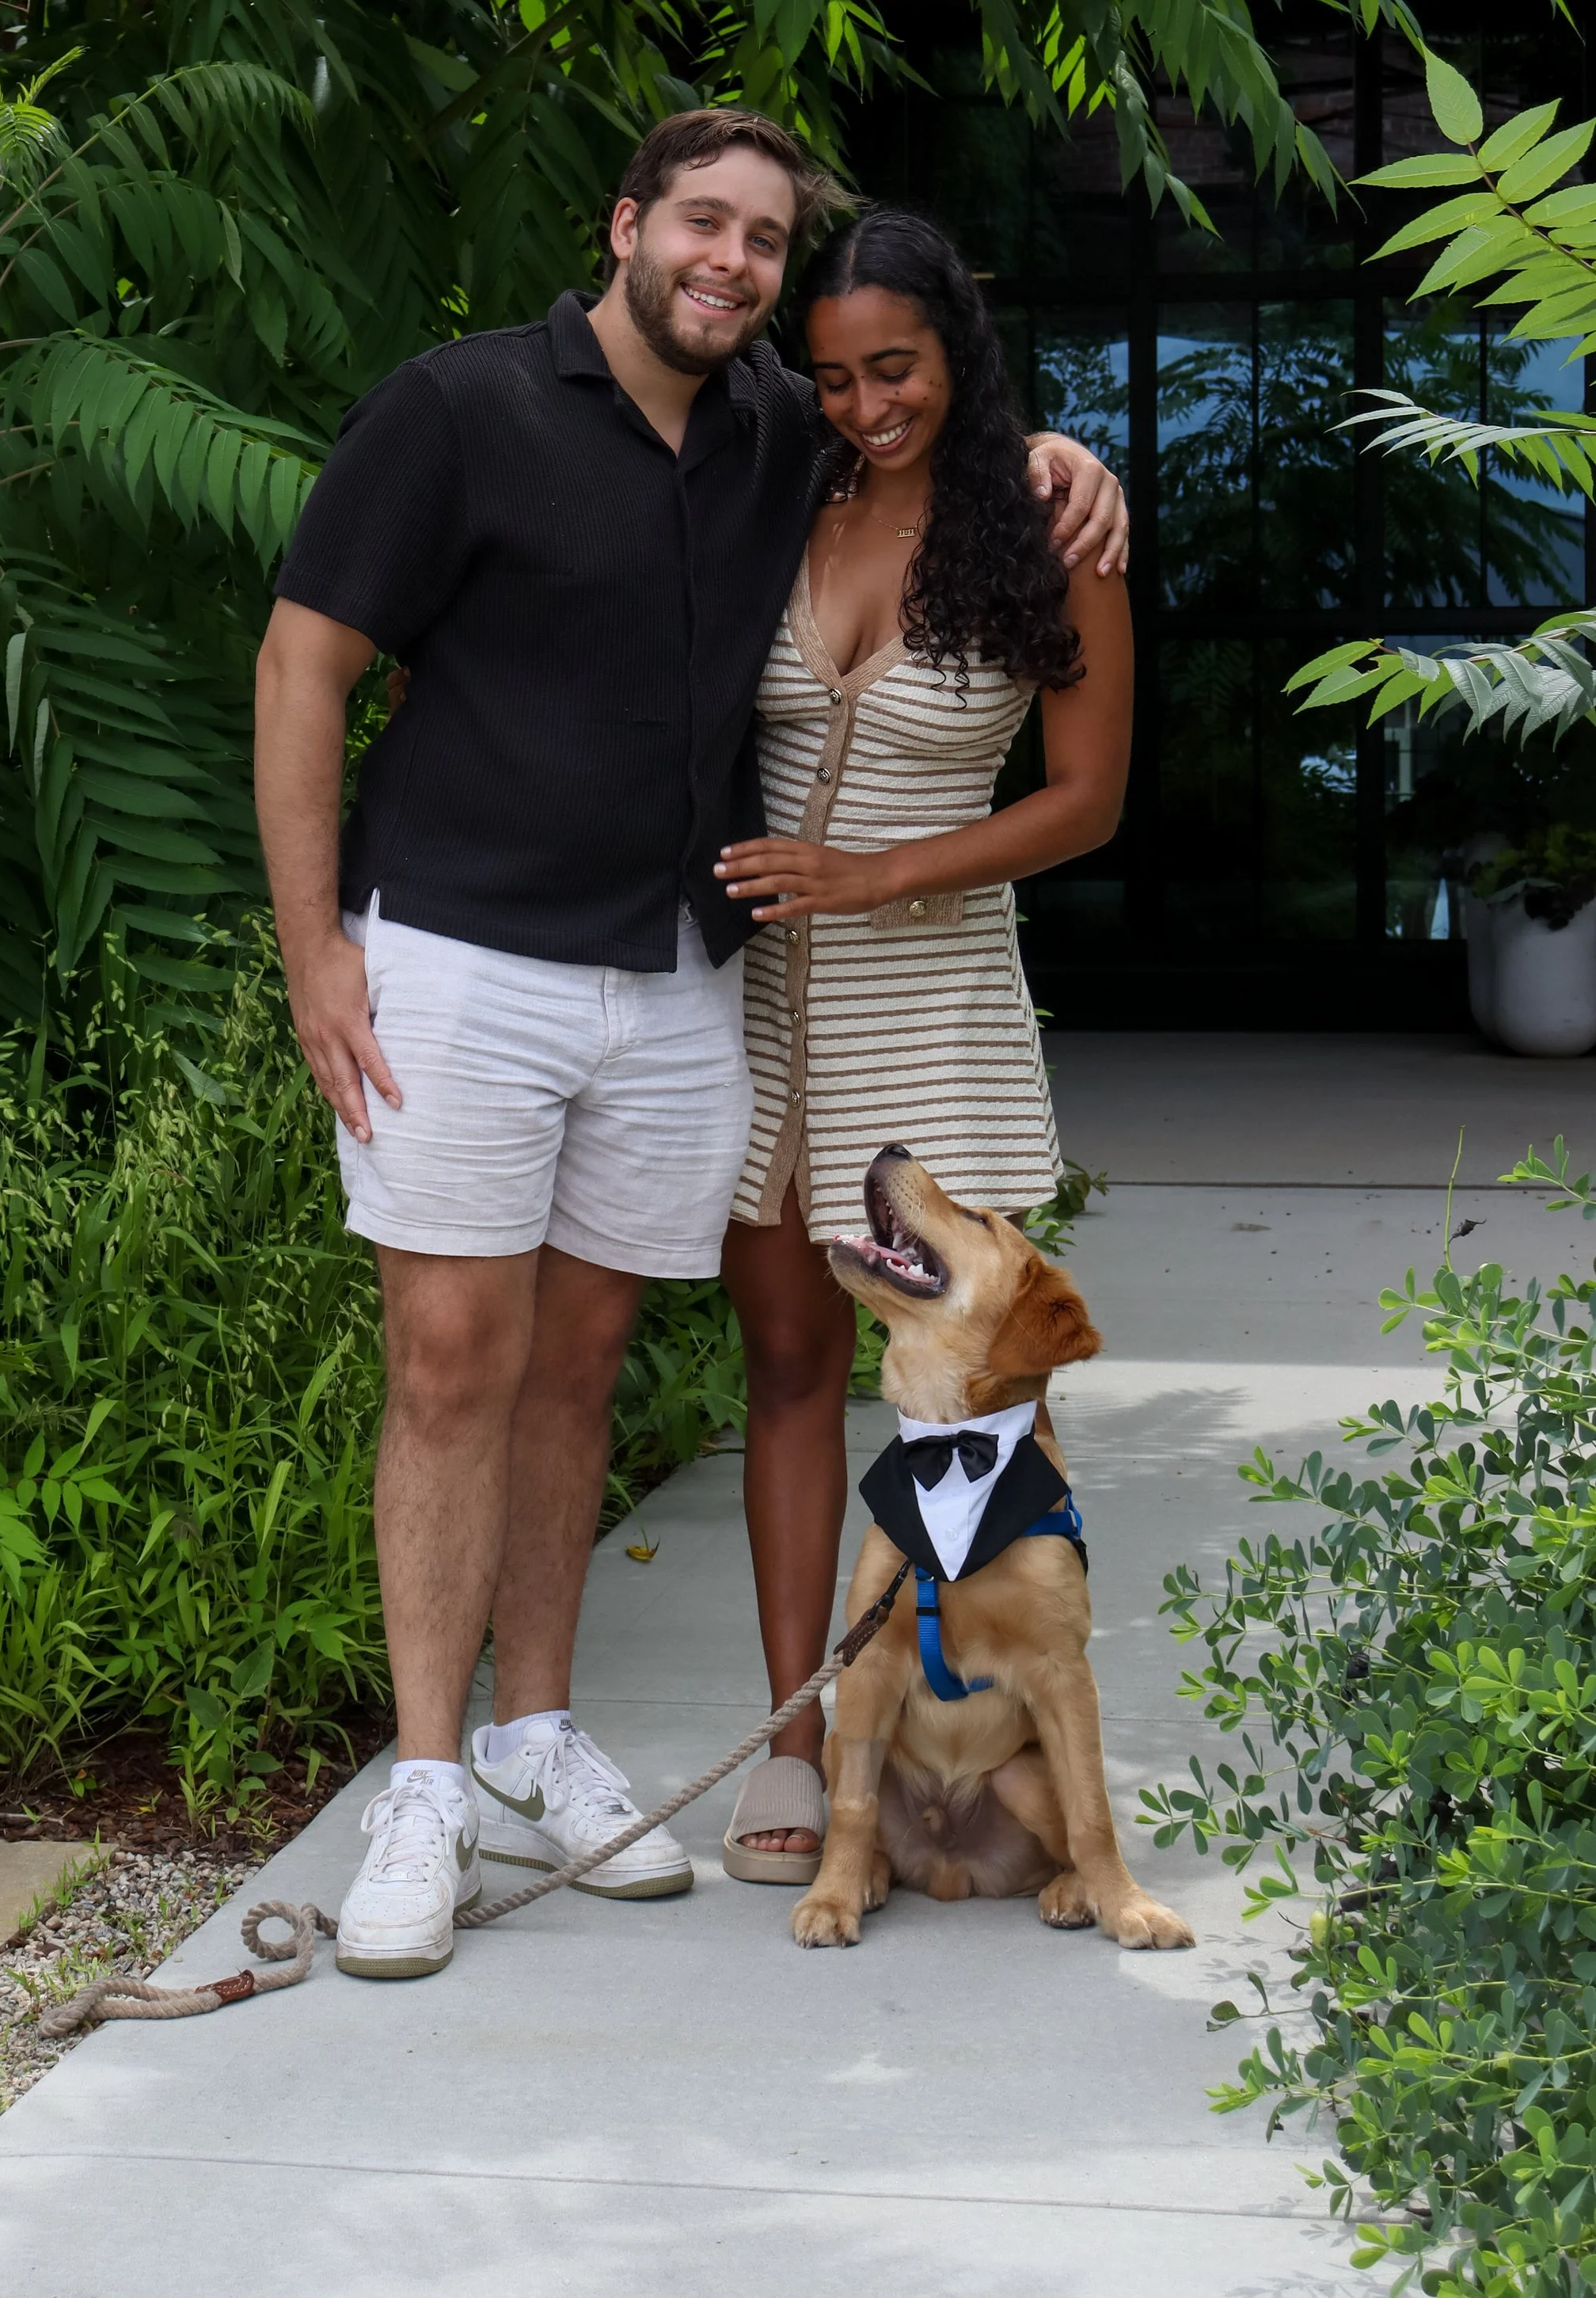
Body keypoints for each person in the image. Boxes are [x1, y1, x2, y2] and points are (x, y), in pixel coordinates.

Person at [253, 112, 1127, 1980]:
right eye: (708, 231)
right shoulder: (581, 426)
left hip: (790, 990)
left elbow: (1070, 752)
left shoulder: (901, 478)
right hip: (590, 977)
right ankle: (595, 1770)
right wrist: (310, 945)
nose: (740, 272)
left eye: (767, 243)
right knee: (586, 1364)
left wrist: (1059, 452)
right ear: (628, 221)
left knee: (762, 1383)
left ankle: (779, 1742)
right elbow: (307, 658)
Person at [710, 206, 1134, 1880]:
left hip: (932, 1009)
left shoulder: (1049, 522)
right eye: (826, 376)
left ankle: (1003, 1730)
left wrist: (867, 873)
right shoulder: (776, 495)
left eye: (891, 367)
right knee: (790, 1376)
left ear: (955, 348)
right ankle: (799, 1745)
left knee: (979, 1409)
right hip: (764, 1015)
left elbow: (1085, 802)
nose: (862, 404)